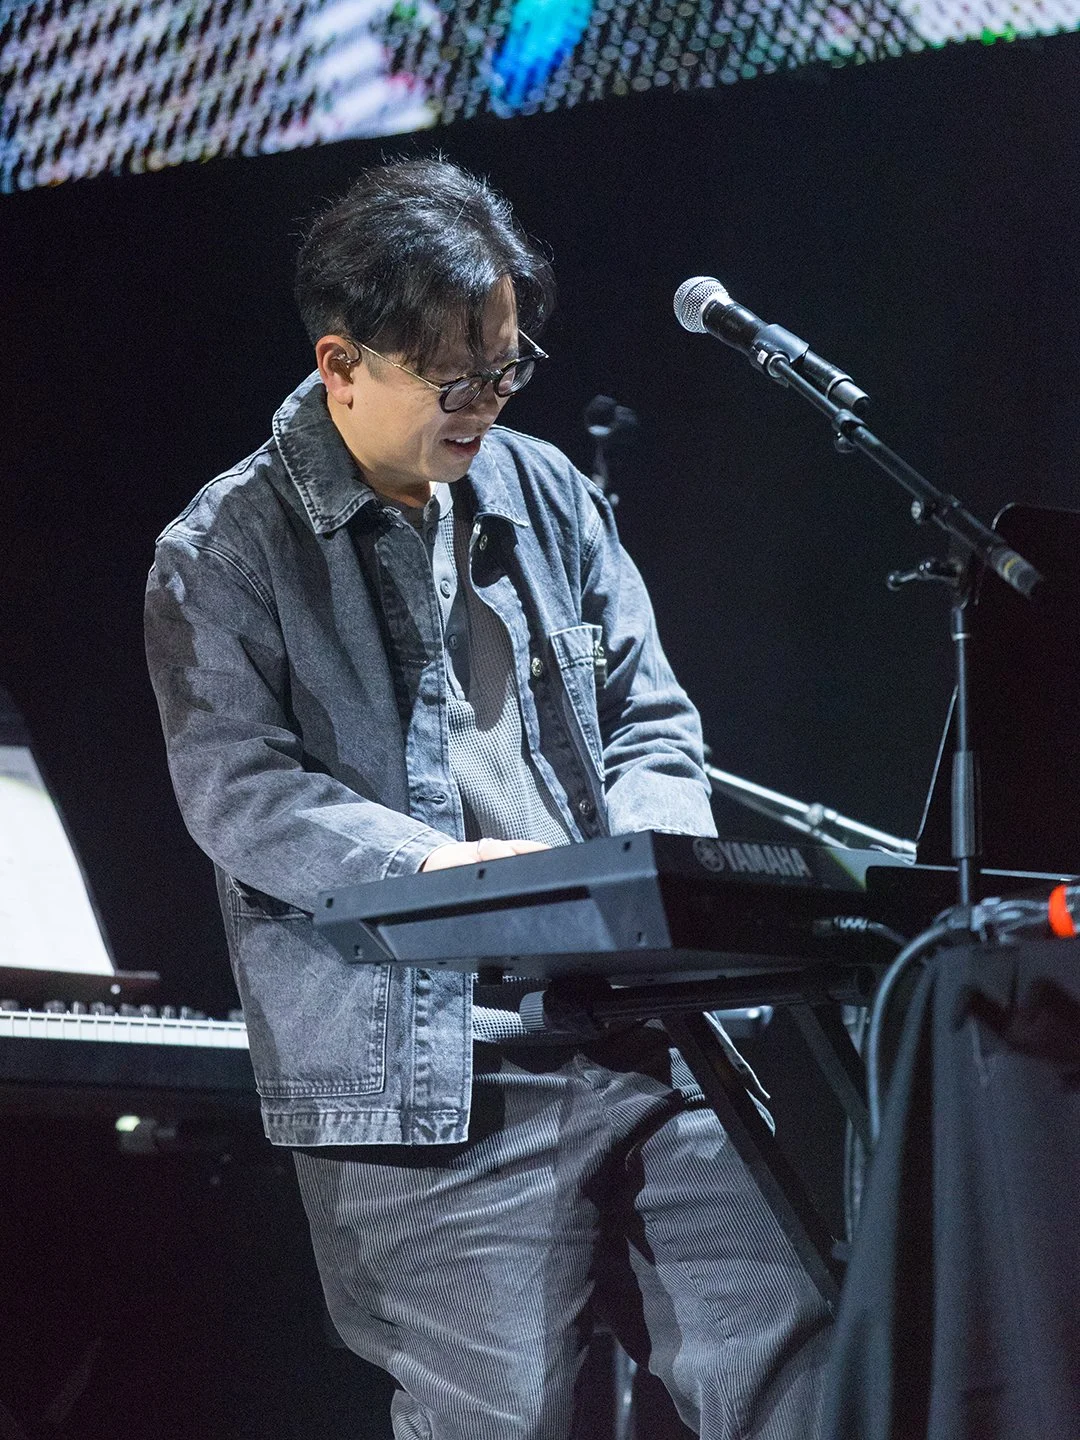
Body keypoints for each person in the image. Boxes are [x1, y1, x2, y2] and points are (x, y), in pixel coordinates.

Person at [144, 157, 830, 1439]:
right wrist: (438, 875)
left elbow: (653, 717)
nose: (488, 405)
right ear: (342, 363)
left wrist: (650, 874)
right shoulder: (224, 549)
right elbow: (237, 790)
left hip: (640, 1024)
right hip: (431, 1074)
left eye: (509, 369)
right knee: (512, 1421)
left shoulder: (547, 490)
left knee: (809, 1374)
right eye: (456, 382)